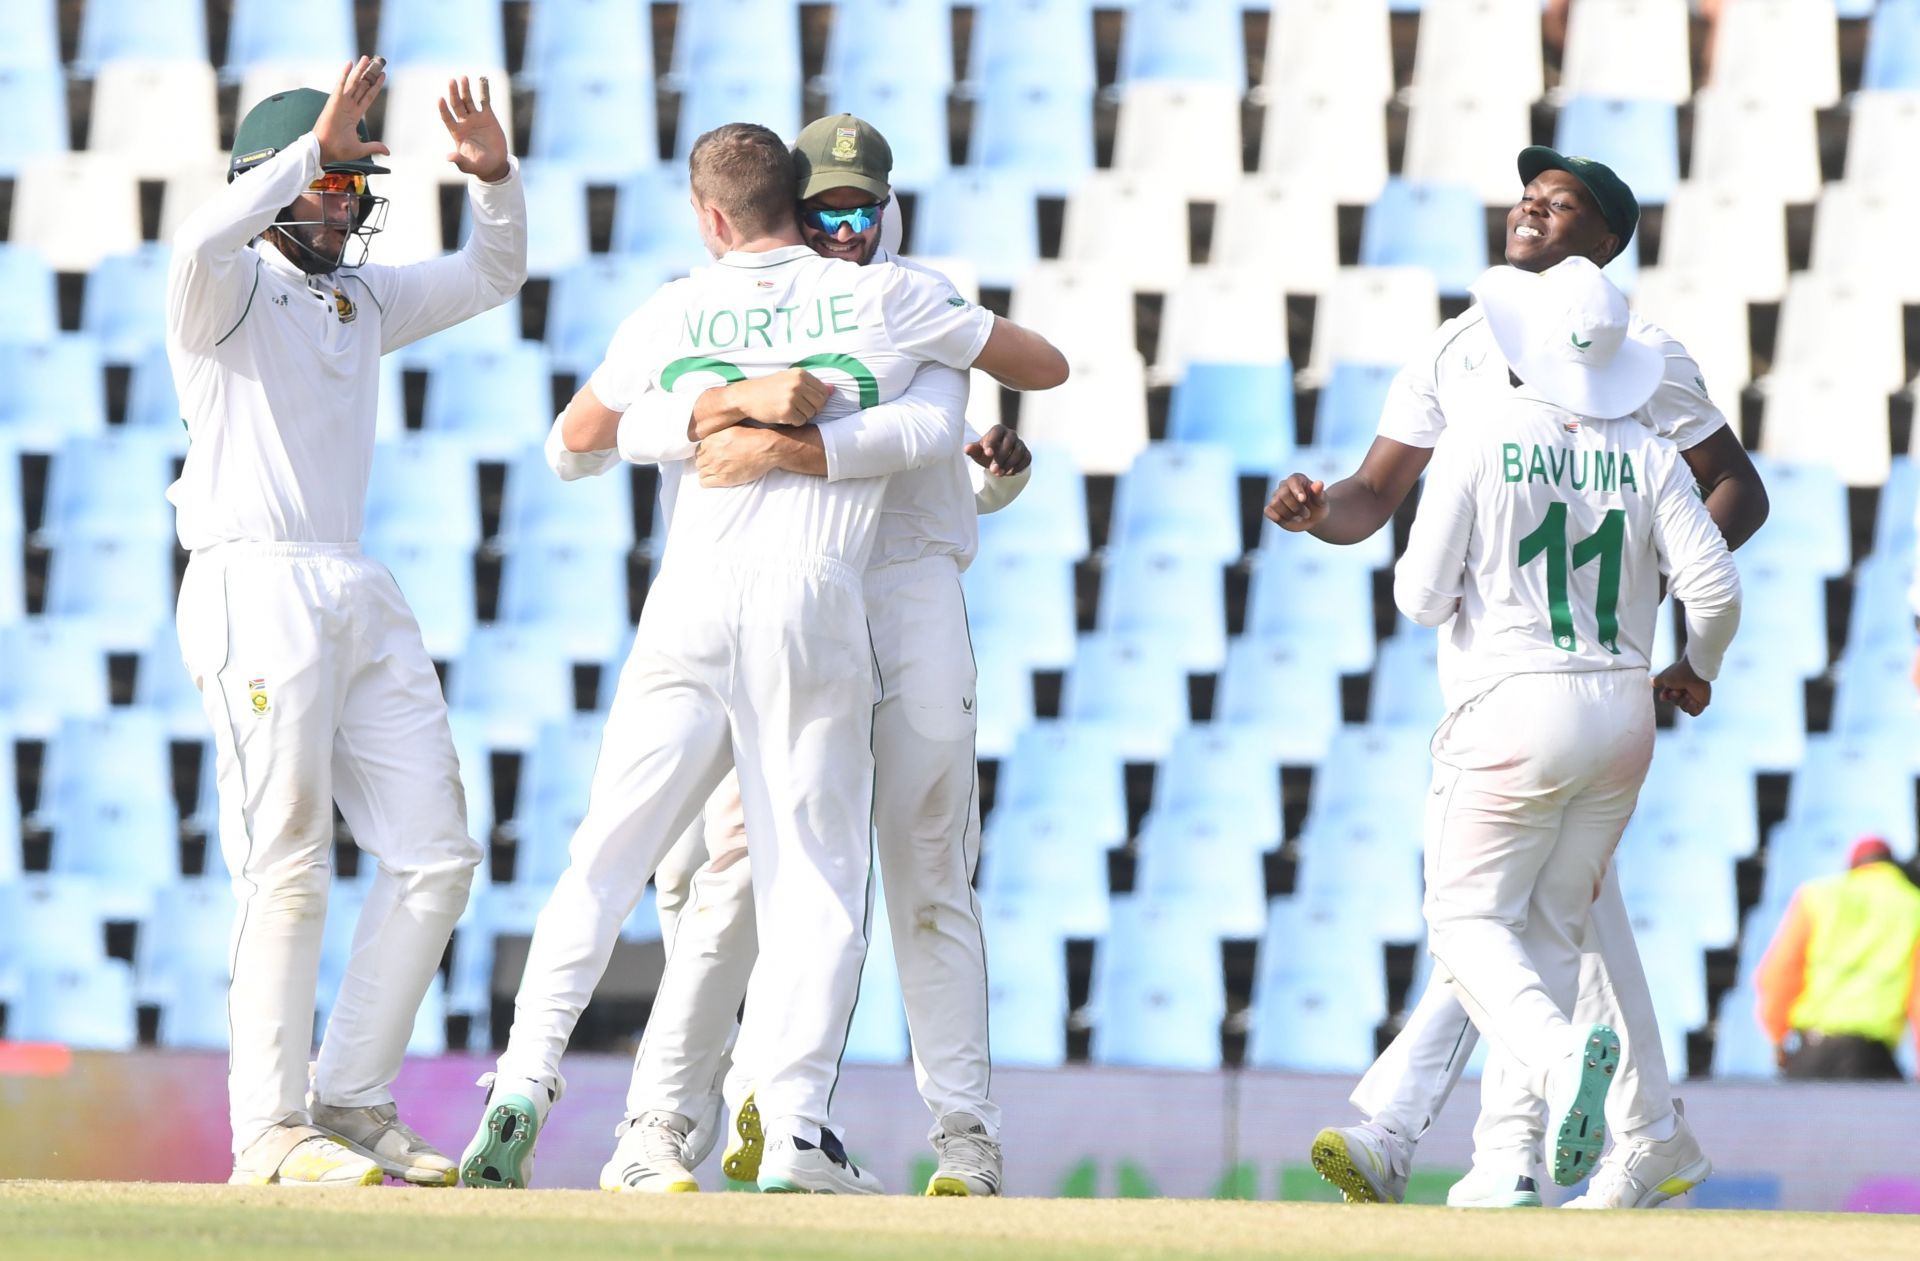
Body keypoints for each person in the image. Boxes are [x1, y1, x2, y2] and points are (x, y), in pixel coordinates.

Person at [458, 122, 1067, 1195]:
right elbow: (597, 437)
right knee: (749, 878)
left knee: (922, 878)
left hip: (893, 598)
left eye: (858, 211)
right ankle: (694, 1123)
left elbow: (929, 439)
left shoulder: (904, 299)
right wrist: (721, 408)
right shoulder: (868, 304)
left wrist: (768, 436)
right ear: (790, 201)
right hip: (805, 604)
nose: (842, 230)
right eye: (822, 209)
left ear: (887, 207)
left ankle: (955, 1140)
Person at [1274, 146, 1767, 1210]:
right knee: (1560, 917)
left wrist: (1639, 601)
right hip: (1569, 694)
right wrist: (1320, 514)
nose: (1533, 207)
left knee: (1495, 918)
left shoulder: (1648, 354)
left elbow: (1737, 487)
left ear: (1606, 242)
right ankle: (1560, 1148)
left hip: (1534, 684)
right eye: (1528, 195)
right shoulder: (1457, 347)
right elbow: (1369, 490)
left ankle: (1419, 1131)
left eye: (1565, 203)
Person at [166, 57, 524, 1186]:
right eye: (332, 181)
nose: (346, 201)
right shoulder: (222, 293)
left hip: (354, 585)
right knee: (288, 868)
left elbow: (492, 274)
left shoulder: (359, 299)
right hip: (252, 584)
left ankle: (352, 1098)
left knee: (436, 856)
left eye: (354, 183)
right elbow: (199, 243)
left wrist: (495, 178)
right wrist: (304, 155)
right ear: (276, 179)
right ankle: (267, 1131)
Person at [1392, 256, 1741, 1193]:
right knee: (1552, 927)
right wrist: (1694, 669)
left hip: (1510, 703)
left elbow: (1421, 597)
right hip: (1623, 709)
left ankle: (1554, 1061)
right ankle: (1505, 1166)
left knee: (1465, 919)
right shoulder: (1646, 448)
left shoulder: (1481, 431)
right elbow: (1715, 588)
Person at [1755, 837, 1920, 1080]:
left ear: (1852, 866)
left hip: (1812, 1050)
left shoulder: (1816, 897)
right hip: (1872, 1058)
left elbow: (1780, 973)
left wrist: (1779, 1037)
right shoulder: (1912, 907)